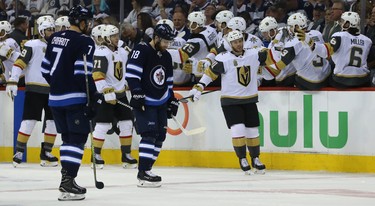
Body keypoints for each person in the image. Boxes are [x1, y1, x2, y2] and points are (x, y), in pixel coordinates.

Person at [188, 30, 267, 175]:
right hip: (230, 101)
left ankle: (255, 158)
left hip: (249, 99)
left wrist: (274, 45)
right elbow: (210, 74)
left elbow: (269, 55)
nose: (238, 44)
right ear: (229, 44)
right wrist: (198, 87)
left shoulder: (253, 54)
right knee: (238, 129)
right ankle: (242, 158)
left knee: (252, 130)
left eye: (240, 41)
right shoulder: (223, 58)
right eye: (235, 42)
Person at [41, 5, 96, 201]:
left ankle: (67, 179)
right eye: (87, 22)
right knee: (77, 139)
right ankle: (68, 182)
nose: (89, 25)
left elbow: (45, 69)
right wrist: (92, 97)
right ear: (80, 22)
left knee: (67, 139)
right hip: (74, 99)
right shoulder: (85, 41)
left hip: (54, 99)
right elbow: (83, 74)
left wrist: (58, 86)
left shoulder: (55, 37)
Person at [125, 23, 179, 188]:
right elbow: (131, 75)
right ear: (156, 38)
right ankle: (142, 172)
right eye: (164, 42)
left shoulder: (166, 56)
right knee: (148, 134)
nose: (167, 45)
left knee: (160, 136)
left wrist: (171, 98)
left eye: (169, 42)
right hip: (145, 101)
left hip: (160, 102)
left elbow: (168, 82)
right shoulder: (141, 50)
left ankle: (148, 169)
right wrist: (137, 92)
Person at [5, 17, 57, 167]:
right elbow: (20, 63)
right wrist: (13, 79)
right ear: (41, 30)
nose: (51, 32)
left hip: (52, 91)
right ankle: (19, 151)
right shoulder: (32, 45)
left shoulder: (57, 46)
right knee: (29, 121)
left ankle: (46, 153)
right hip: (34, 90)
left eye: (53, 29)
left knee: (52, 123)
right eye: (48, 29)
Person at [91, 24, 138, 169]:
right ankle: (96, 154)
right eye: (113, 36)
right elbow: (97, 74)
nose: (117, 38)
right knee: (103, 124)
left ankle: (126, 154)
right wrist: (105, 89)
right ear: (106, 38)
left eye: (117, 35)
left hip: (121, 94)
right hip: (106, 94)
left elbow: (129, 66)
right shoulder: (101, 52)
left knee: (127, 123)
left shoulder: (122, 51)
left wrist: (127, 83)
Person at [309, 11, 372, 87]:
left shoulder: (339, 36)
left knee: (326, 75)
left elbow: (326, 51)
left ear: (348, 24)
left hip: (342, 79)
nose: (341, 23)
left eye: (342, 21)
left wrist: (312, 45)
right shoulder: (367, 40)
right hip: (362, 79)